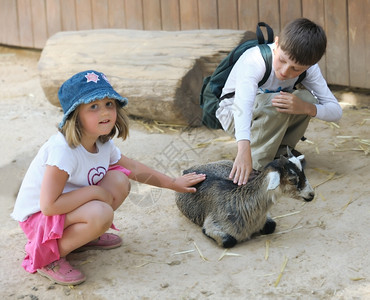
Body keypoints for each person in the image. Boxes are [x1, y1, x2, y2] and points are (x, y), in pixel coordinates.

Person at [11, 70, 206, 286]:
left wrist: (173, 183)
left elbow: (132, 167)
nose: (105, 112)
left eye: (109, 104)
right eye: (93, 106)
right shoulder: (62, 150)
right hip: (39, 218)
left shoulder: (102, 142)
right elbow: (48, 206)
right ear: (75, 114)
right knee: (101, 213)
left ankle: (82, 237)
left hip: (68, 208)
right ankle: (47, 257)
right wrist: (94, 192)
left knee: (120, 181)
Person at [215, 18, 342, 185]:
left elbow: (336, 112)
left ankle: (280, 153)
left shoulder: (311, 69)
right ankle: (257, 166)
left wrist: (306, 107)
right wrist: (243, 149)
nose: (284, 71)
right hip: (233, 114)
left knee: (306, 99)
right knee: (278, 102)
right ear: (277, 43)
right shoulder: (255, 60)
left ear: (310, 65)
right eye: (282, 60)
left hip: (266, 113)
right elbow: (243, 105)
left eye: (295, 69)